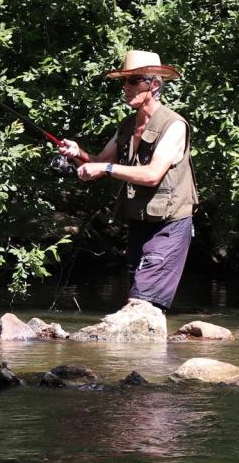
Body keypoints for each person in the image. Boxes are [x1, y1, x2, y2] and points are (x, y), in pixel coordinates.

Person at [59, 50, 198, 311]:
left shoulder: (174, 125)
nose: (126, 87)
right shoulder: (126, 125)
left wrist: (107, 167)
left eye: (133, 81)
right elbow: (97, 163)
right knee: (138, 301)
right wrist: (77, 153)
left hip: (169, 226)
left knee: (142, 303)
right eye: (124, 81)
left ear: (154, 85)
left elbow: (151, 174)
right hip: (140, 224)